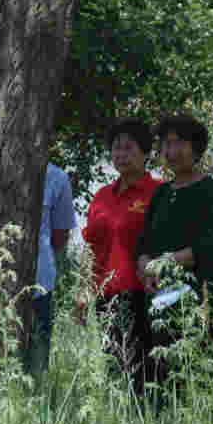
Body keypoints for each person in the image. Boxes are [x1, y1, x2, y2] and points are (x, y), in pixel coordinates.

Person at [133, 114, 213, 403]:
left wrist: (163, 263)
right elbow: (144, 242)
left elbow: (208, 246)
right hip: (158, 298)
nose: (170, 152)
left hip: (200, 296)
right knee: (161, 375)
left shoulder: (211, 190)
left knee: (198, 375)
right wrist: (144, 268)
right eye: (165, 146)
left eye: (178, 144)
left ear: (196, 148)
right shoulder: (161, 194)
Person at [77, 119, 161, 400]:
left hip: (145, 294)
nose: (121, 155)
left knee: (146, 369)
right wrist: (83, 289)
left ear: (146, 152)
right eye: (116, 149)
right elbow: (90, 247)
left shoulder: (158, 192)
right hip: (106, 295)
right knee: (115, 364)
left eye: (129, 148)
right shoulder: (101, 197)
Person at [26, 158, 77, 380]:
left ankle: (39, 410)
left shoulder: (56, 177)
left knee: (37, 363)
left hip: (40, 284)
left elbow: (60, 236)